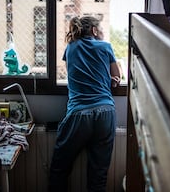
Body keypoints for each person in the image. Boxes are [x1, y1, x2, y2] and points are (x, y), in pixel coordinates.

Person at [48, 16, 121, 192]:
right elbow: (116, 77)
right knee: (98, 174)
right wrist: (111, 79)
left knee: (59, 170)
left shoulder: (70, 48)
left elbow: (75, 74)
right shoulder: (106, 47)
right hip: (105, 111)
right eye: (101, 29)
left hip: (79, 113)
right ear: (95, 31)